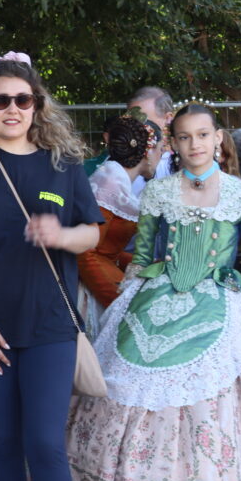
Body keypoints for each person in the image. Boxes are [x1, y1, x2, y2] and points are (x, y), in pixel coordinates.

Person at [68, 102, 241, 481]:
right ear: (173, 143)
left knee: (215, 386)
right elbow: (141, 259)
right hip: (157, 294)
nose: (195, 144)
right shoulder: (158, 192)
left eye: (203, 135)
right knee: (130, 378)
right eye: (185, 137)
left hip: (221, 297)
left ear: (218, 138)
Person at [0, 52, 102, 481]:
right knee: (2, 444)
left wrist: (61, 236)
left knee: (45, 445)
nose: (12, 109)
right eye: (1, 100)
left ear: (36, 105)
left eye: (23, 99)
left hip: (51, 325)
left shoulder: (63, 164)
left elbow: (91, 234)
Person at [76, 116, 162, 340]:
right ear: (148, 151)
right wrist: (119, 301)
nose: (161, 157)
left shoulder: (116, 180)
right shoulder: (109, 182)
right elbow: (86, 252)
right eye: (160, 150)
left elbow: (108, 251)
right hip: (91, 284)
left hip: (102, 271)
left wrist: (148, 266)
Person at [127, 86, 175, 191]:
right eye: (131, 122)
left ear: (168, 118)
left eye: (144, 122)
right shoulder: (120, 161)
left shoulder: (183, 160)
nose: (134, 129)